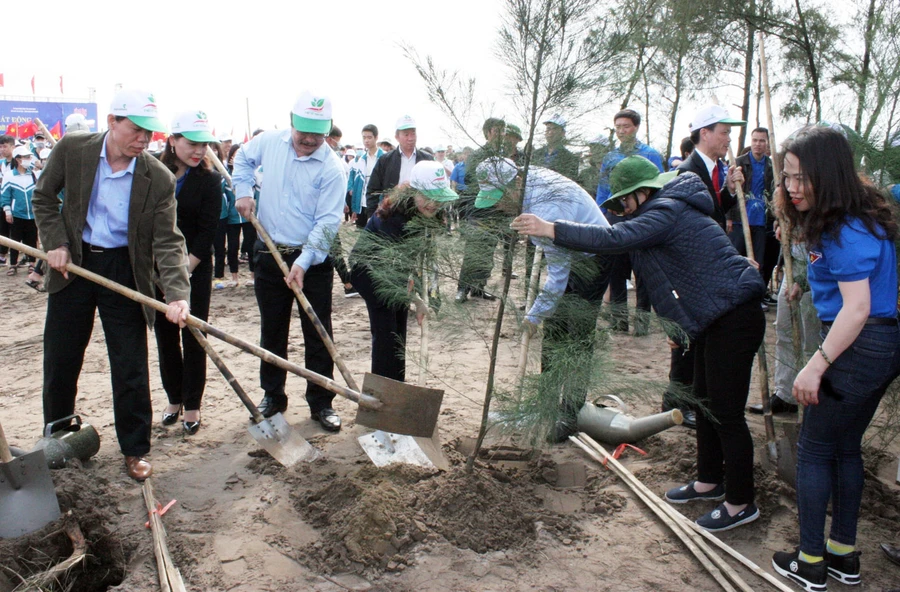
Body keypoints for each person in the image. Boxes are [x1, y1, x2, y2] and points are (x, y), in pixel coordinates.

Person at [512, 156, 766, 531]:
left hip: (735, 318)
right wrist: (678, 325)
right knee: (704, 400)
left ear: (644, 192)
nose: (623, 211)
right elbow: (673, 275)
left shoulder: (666, 211)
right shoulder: (665, 211)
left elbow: (613, 239)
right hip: (712, 318)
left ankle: (740, 502)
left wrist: (552, 229)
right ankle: (709, 481)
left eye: (626, 203)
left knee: (725, 412)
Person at [32, 88, 191, 481]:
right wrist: (56, 243)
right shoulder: (74, 150)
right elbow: (43, 197)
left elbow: (168, 241)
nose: (144, 140)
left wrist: (177, 295)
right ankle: (60, 439)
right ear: (112, 123)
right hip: (75, 264)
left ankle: (135, 449)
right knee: (61, 358)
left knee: (130, 364)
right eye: (136, 130)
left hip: (124, 269)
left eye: (150, 134)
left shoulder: (158, 178)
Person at [771, 126, 900, 591]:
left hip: (859, 343)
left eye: (802, 178)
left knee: (815, 449)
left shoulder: (845, 228)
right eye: (786, 177)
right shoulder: (851, 215)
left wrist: (816, 363)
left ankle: (809, 562)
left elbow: (858, 308)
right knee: (845, 447)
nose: (792, 188)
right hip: (879, 347)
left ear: (830, 174)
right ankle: (843, 554)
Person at [232, 91, 347, 432]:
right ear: (292, 122)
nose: (310, 140)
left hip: (312, 259)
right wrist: (242, 190)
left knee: (317, 330)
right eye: (304, 132)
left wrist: (305, 261)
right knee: (273, 328)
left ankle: (322, 401)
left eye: (318, 133)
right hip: (269, 251)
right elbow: (241, 160)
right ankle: (273, 395)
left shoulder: (332, 168)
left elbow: (328, 223)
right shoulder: (269, 142)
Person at [480, 157, 612, 440]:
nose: (497, 205)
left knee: (577, 337)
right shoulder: (524, 181)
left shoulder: (545, 206)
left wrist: (534, 315)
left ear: (515, 183)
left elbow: (558, 275)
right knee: (554, 333)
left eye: (499, 197)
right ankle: (546, 404)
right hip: (571, 253)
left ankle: (570, 414)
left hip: (594, 257)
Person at [349, 161, 457, 381]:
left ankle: (398, 385)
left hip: (395, 274)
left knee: (399, 333)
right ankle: (382, 390)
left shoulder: (426, 214)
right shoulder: (395, 219)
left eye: (438, 198)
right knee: (387, 335)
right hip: (370, 272)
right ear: (413, 191)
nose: (433, 203)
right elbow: (391, 270)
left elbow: (417, 260)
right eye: (427, 196)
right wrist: (417, 301)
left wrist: (418, 296)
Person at [154, 111, 222, 434]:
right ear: (172, 140)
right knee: (165, 336)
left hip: (194, 266)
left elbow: (208, 231)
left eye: (204, 145)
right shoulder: (152, 170)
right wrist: (163, 275)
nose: (199, 151)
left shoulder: (210, 180)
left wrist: (181, 272)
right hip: (155, 270)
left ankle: (192, 403)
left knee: (194, 335)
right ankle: (173, 397)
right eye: (192, 144)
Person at [595, 109, 663, 336]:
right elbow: (603, 190)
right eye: (618, 128)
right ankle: (618, 321)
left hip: (642, 218)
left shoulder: (650, 155)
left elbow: (659, 188)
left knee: (643, 273)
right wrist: (602, 215)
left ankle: (642, 323)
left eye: (626, 126)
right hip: (616, 218)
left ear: (636, 127)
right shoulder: (610, 158)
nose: (622, 131)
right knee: (616, 272)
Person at [455, 117, 506, 303]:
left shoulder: (504, 157)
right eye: (497, 130)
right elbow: (470, 180)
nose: (501, 134)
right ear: (488, 132)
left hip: (496, 211)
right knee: (472, 251)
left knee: (488, 252)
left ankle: (479, 287)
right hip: (478, 210)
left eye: (503, 130)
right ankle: (462, 288)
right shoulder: (478, 155)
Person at [366, 115, 434, 217]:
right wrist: (372, 217)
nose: (410, 138)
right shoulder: (385, 160)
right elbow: (372, 191)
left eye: (413, 134)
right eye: (406, 135)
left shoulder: (427, 160)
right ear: (397, 137)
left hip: (420, 218)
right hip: (391, 216)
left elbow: (436, 190)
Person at [728, 127, 774, 270]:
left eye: (762, 141)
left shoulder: (771, 166)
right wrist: (728, 216)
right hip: (740, 219)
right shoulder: (739, 162)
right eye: (755, 140)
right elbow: (728, 190)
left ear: (767, 143)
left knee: (757, 263)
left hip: (761, 221)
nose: (758, 144)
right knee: (735, 259)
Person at [2, 145, 39, 275]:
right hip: (17, 213)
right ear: (18, 159)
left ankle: (31, 263)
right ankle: (13, 264)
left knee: (31, 239)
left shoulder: (33, 175)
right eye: (26, 157)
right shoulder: (9, 176)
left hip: (32, 214)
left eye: (29, 157)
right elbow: (5, 195)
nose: (29, 159)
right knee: (15, 240)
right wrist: (7, 211)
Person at [348, 124, 384, 229]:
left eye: (369, 137)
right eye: (364, 138)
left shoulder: (384, 158)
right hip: (362, 204)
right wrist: (355, 208)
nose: (366, 141)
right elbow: (357, 184)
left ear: (376, 138)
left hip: (377, 204)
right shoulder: (361, 160)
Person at [532, 114, 579, 181]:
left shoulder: (570, 159)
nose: (550, 132)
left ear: (563, 133)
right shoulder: (535, 154)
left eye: (555, 129)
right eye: (548, 129)